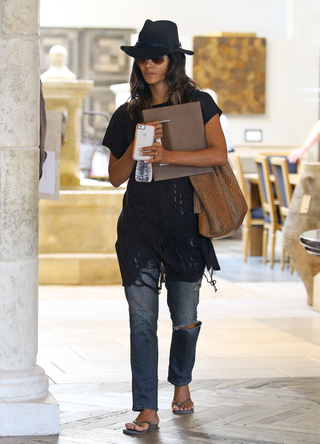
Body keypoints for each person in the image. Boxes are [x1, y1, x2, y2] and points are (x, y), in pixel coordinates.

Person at [102, 19, 227, 435]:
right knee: (141, 320)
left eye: (156, 57)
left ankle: (181, 382)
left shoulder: (199, 103)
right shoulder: (128, 112)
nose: (148, 65)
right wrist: (138, 145)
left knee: (185, 317)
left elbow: (217, 155)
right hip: (137, 226)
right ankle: (146, 408)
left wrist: (166, 154)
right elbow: (115, 176)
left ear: (172, 60)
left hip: (184, 227)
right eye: (142, 58)